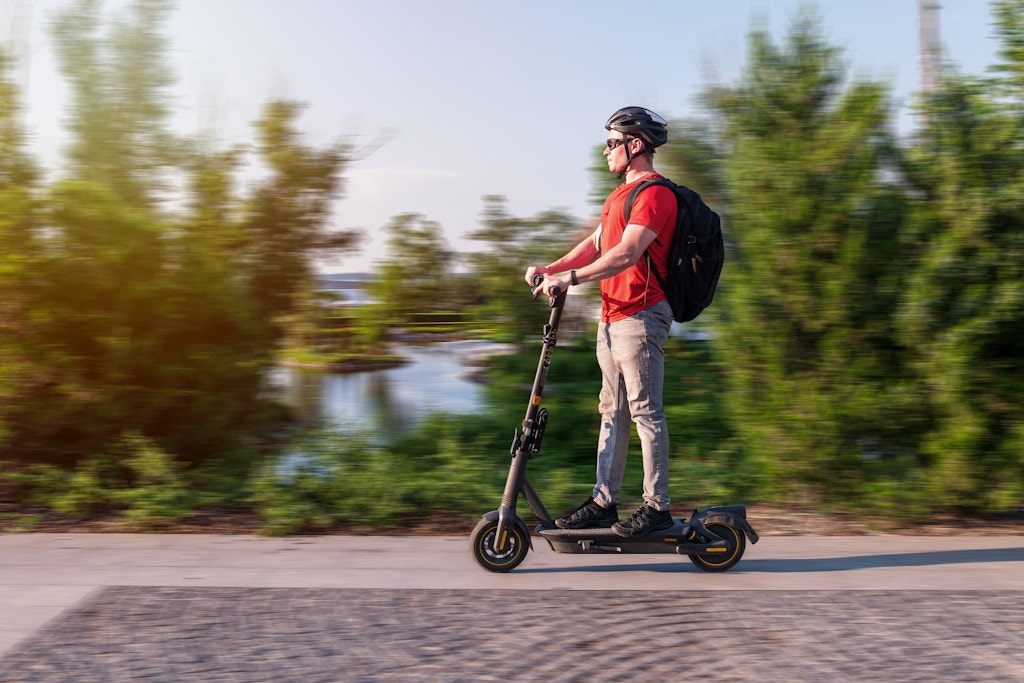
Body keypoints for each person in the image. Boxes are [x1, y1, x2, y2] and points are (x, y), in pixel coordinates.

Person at [525, 106, 677, 537]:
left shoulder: (654, 194)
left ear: (635, 146)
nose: (605, 149)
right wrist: (551, 270)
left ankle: (657, 507)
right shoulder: (619, 197)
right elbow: (594, 246)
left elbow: (627, 254)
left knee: (646, 412)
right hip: (611, 319)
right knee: (612, 411)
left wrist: (569, 279)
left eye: (612, 142)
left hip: (641, 316)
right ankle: (604, 502)